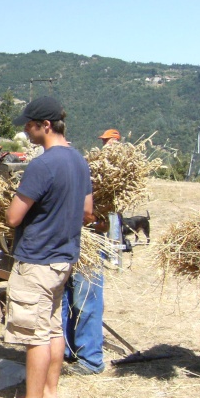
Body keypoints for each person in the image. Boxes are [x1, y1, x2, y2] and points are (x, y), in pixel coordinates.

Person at [0, 96, 93, 398]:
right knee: (52, 327)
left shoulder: (43, 164)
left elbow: (12, 217)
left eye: (29, 123)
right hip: (64, 258)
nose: (25, 129)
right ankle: (50, 393)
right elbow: (87, 211)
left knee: (33, 333)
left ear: (46, 126)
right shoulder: (79, 161)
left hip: (37, 259)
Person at [61, 128, 122, 376]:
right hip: (64, 244)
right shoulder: (73, 169)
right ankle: (64, 349)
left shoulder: (101, 177)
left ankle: (90, 358)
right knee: (63, 300)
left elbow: (103, 219)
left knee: (86, 301)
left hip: (88, 244)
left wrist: (89, 221)